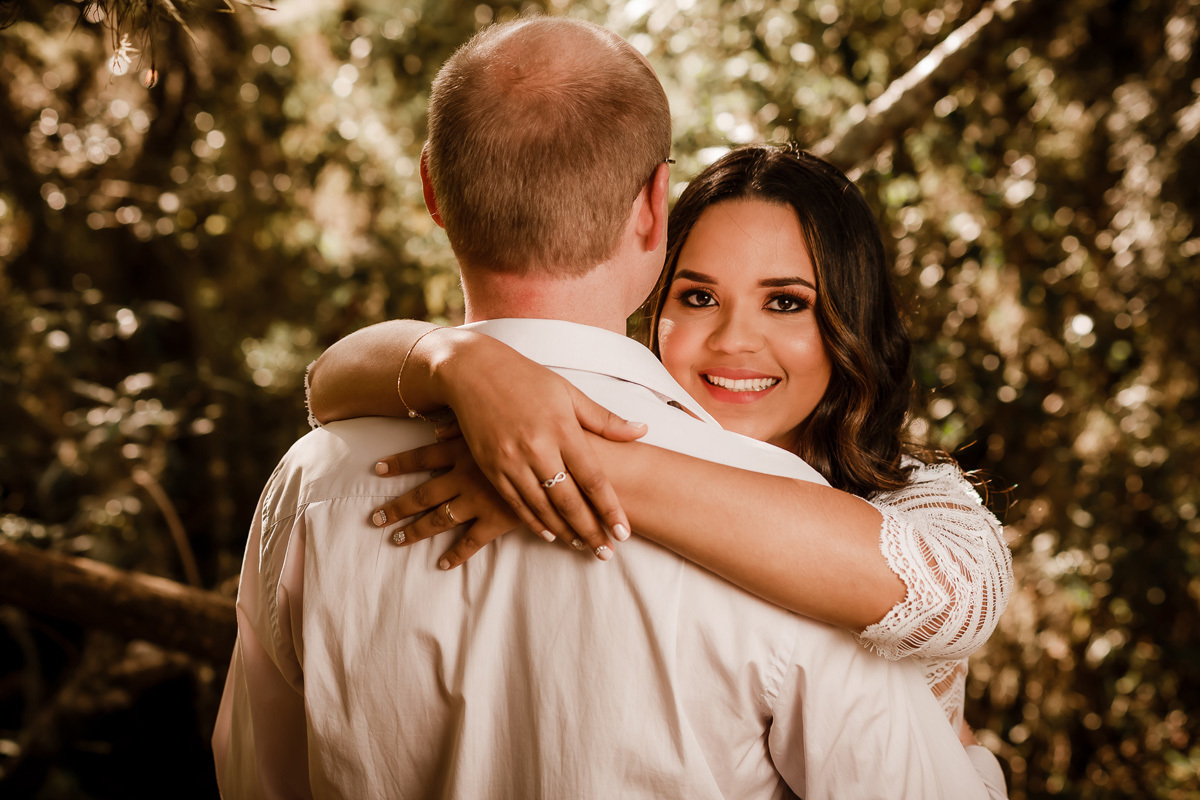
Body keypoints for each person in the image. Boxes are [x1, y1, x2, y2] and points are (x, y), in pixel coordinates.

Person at [215, 15, 997, 799]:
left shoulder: (313, 479)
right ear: (653, 212)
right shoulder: (791, 566)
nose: (734, 341)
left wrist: (565, 460)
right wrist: (452, 363)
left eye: (787, 303)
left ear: (432, 187)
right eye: (698, 296)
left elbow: (256, 774)